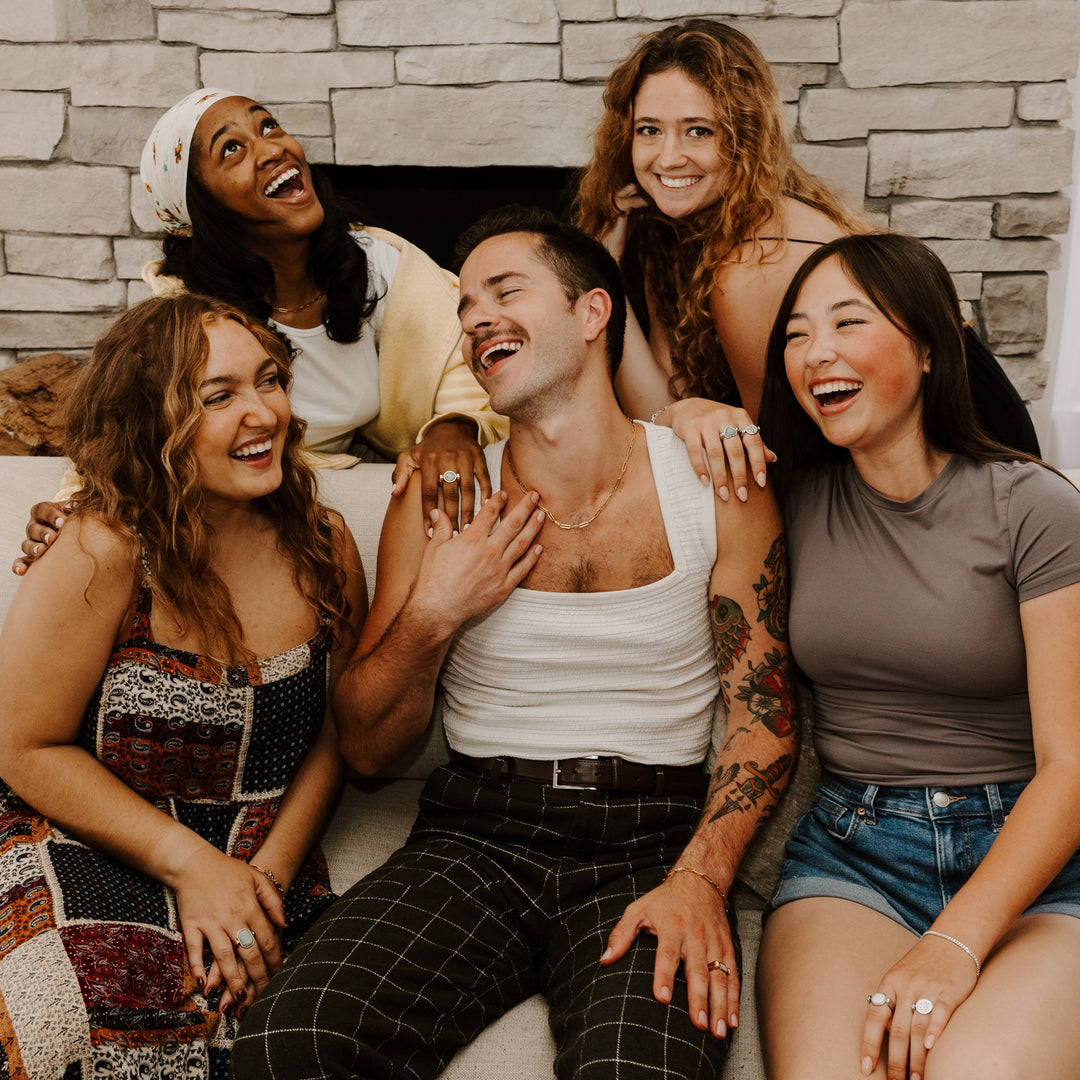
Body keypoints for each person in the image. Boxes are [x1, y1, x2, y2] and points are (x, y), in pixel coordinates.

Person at [229, 207, 798, 1079]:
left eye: (505, 290)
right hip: (477, 837)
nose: (473, 318)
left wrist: (702, 878)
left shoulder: (714, 483)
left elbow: (764, 721)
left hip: (651, 842)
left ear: (591, 314)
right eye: (463, 306)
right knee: (285, 1048)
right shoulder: (445, 495)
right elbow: (372, 750)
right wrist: (434, 616)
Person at [0, 294, 367, 1076]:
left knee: (276, 1037)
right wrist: (190, 867)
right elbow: (22, 745)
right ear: (152, 425)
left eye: (269, 381)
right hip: (90, 833)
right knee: (69, 1022)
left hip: (261, 848)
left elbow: (340, 734)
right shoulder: (101, 549)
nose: (262, 412)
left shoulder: (327, 548)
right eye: (219, 396)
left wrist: (256, 889)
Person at [754, 233, 1080, 1080]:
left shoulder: (1035, 506)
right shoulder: (786, 495)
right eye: (795, 333)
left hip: (1038, 862)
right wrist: (689, 410)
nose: (815, 351)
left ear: (929, 347)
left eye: (846, 322)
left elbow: (1072, 766)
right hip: (855, 854)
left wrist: (955, 942)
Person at [14, 85, 505, 574]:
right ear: (200, 205)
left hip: (360, 499)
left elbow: (457, 354)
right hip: (247, 514)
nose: (273, 148)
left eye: (268, 125)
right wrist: (71, 509)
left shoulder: (376, 261)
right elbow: (124, 427)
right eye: (232, 148)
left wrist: (451, 428)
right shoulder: (187, 316)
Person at [575, 18, 1039, 498]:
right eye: (649, 129)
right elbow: (665, 404)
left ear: (745, 135)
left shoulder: (755, 264)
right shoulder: (677, 233)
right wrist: (604, 269)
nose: (668, 158)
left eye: (698, 131)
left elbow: (762, 471)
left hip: (974, 476)